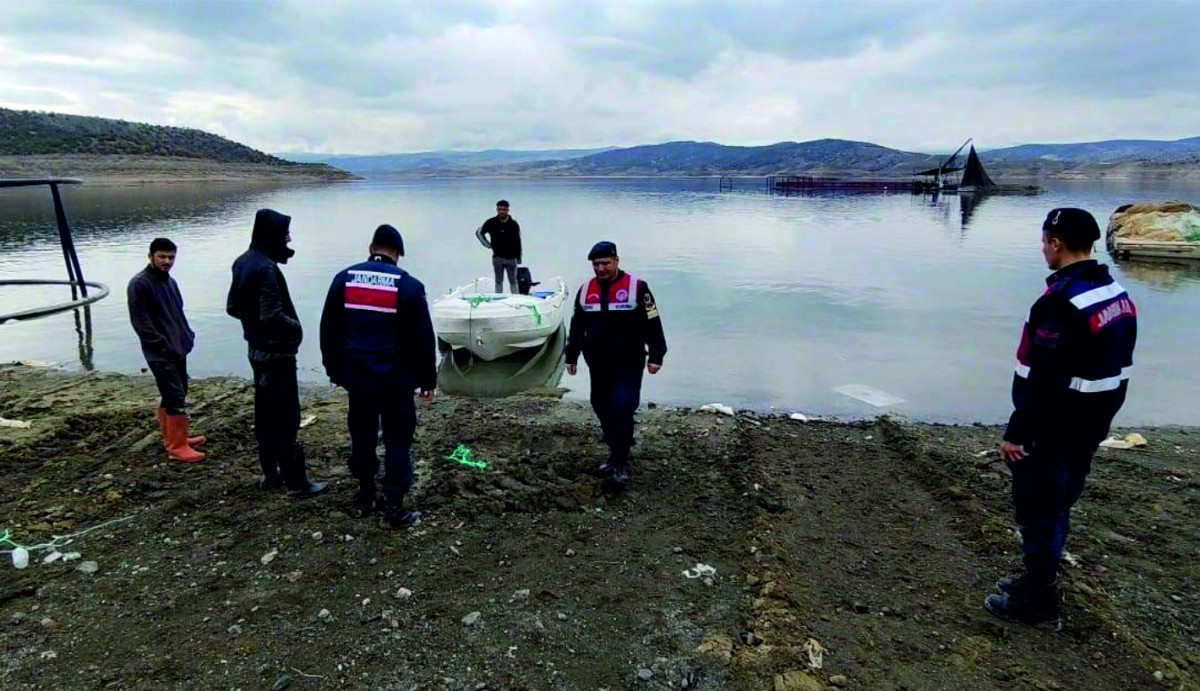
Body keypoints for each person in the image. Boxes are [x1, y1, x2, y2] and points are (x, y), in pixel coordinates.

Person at [985, 208, 1137, 629]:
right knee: (1056, 507)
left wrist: (1018, 433)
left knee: (1039, 514)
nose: (1042, 248)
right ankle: (1038, 581)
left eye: (1044, 241)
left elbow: (1046, 376)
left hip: (1051, 430)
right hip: (1087, 427)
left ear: (1056, 243)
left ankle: (1039, 603)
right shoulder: (1115, 294)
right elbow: (1119, 368)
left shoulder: (1059, 303)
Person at [319, 224, 436, 529]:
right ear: (397, 253)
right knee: (398, 442)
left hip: (358, 380)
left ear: (371, 247)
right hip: (396, 382)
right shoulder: (408, 286)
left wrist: (335, 370)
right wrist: (428, 380)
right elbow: (423, 338)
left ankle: (367, 494)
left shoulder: (343, 280)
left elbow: (329, 331)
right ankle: (395, 508)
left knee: (362, 435)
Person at [226, 209, 329, 499]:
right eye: (285, 234)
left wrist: (253, 327)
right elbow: (271, 314)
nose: (289, 239)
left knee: (265, 415)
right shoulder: (267, 268)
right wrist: (295, 328)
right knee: (286, 417)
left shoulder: (242, 262)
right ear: (272, 235)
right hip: (276, 355)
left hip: (256, 352)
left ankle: (271, 476)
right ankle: (299, 483)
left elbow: (233, 307)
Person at [565, 241, 667, 488]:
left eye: (605, 263)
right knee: (601, 406)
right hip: (598, 361)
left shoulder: (637, 288)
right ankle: (615, 450)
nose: (600, 269)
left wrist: (656, 355)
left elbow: (653, 322)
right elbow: (578, 325)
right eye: (596, 264)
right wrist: (571, 356)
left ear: (617, 261)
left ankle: (621, 463)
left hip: (628, 360)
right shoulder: (585, 290)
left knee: (623, 405)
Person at [127, 237, 206, 463]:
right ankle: (176, 447)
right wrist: (163, 346)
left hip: (177, 348)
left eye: (171, 257)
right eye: (162, 256)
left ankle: (174, 437)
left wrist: (187, 337)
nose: (167, 261)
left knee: (177, 391)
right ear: (150, 256)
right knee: (175, 396)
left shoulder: (170, 282)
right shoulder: (139, 284)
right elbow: (141, 324)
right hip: (160, 353)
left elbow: (178, 313)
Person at [474, 199, 522, 293]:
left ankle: (516, 300)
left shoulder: (513, 224)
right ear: (497, 210)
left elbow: (518, 241)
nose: (502, 211)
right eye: (500, 209)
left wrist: (519, 257)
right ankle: (498, 301)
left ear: (508, 210)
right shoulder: (491, 222)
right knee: (498, 281)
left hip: (512, 258)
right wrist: (488, 245)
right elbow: (479, 233)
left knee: (513, 281)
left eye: (504, 209)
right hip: (497, 258)